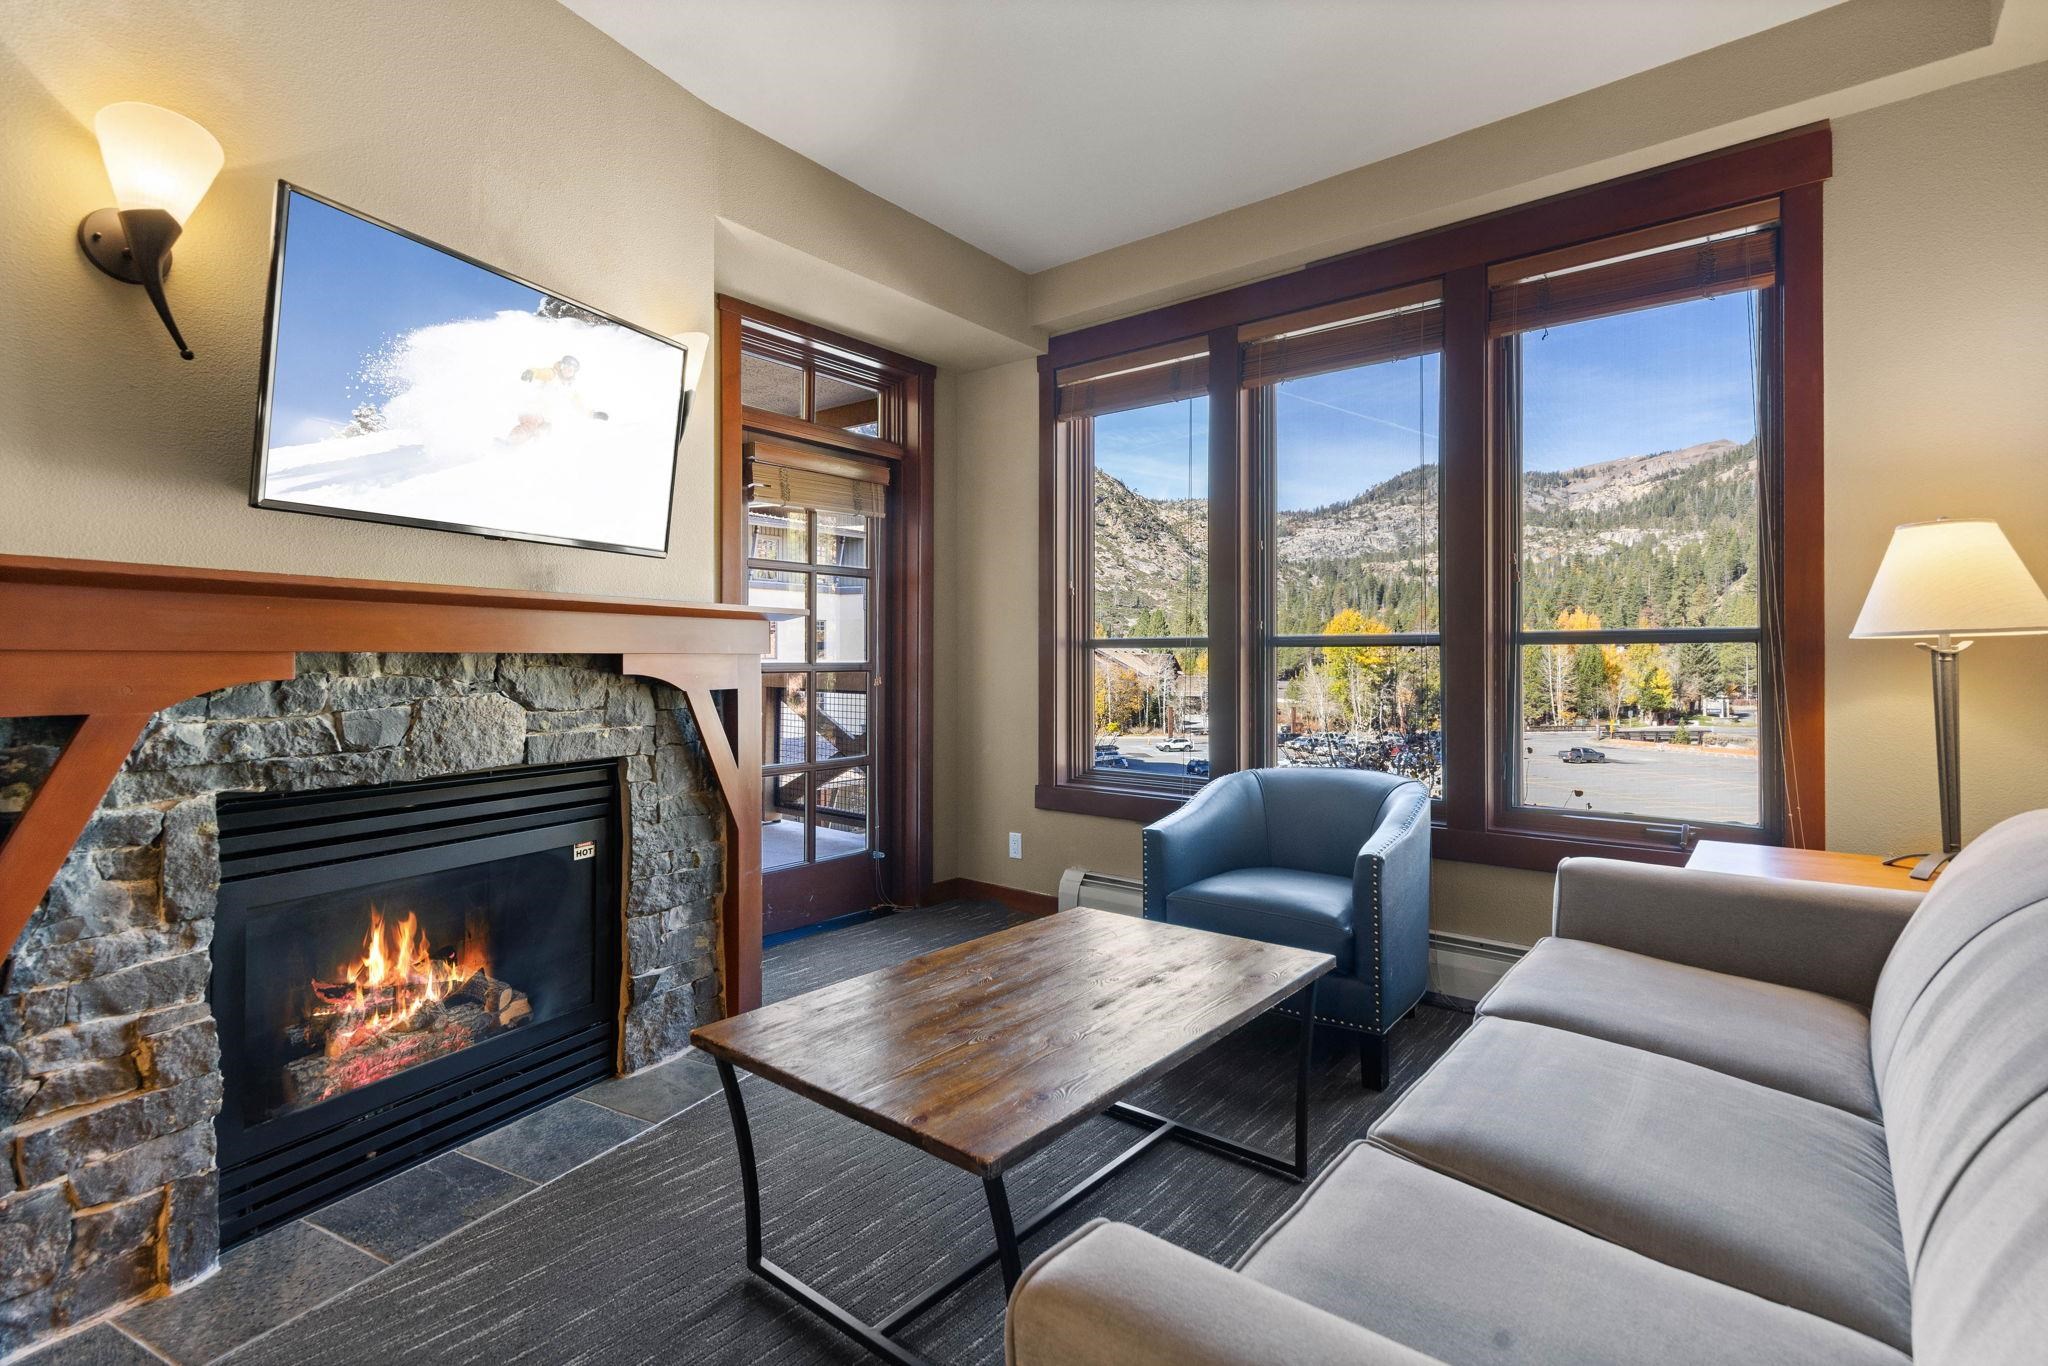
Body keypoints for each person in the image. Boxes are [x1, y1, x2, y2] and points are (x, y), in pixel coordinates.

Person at [506, 354, 608, 443]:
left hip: (545, 417)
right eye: (566, 367)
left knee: (543, 433)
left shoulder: (570, 388)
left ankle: (521, 452)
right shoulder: (552, 374)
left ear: (573, 373)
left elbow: (579, 406)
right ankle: (510, 442)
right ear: (561, 366)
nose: (567, 371)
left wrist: (592, 414)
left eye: (571, 370)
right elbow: (541, 372)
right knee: (531, 424)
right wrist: (531, 372)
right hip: (533, 409)